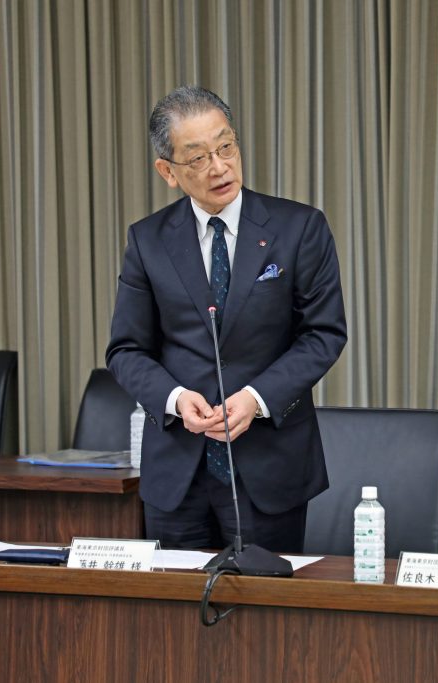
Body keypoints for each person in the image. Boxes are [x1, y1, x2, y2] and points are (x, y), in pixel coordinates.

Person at [106, 85, 347, 552]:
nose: (219, 167)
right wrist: (175, 399)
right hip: (178, 472)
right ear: (168, 171)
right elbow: (126, 350)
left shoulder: (298, 228)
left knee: (269, 617)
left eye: (226, 146)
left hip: (269, 465)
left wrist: (257, 398)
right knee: (174, 619)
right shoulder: (148, 241)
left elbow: (323, 334)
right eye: (197, 158)